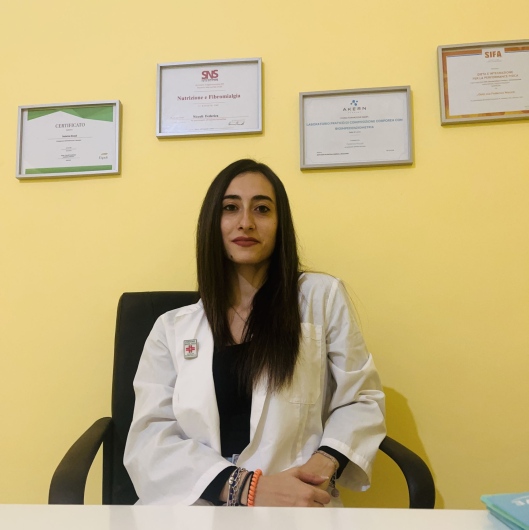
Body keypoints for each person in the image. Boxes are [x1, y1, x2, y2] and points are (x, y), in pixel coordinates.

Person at [124, 159, 386, 507]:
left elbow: (361, 399)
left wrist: (324, 462)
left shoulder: (320, 298)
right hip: (198, 503)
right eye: (230, 208)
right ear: (212, 223)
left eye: (262, 209)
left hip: (296, 501)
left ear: (280, 224)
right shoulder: (171, 329)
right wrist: (246, 487)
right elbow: (150, 438)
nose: (246, 222)